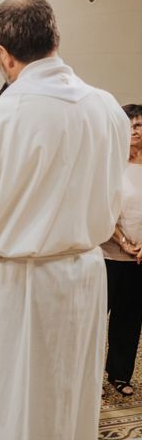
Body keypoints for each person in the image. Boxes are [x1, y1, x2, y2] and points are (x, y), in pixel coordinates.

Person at [0, 0, 130, 440]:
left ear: (3, 54)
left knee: (4, 406)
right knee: (64, 398)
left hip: (11, 284)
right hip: (82, 276)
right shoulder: (109, 110)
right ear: (55, 39)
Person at [100, 103, 142, 397]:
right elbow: (100, 207)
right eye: (130, 125)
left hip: (139, 260)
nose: (135, 131)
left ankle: (119, 373)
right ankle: (87, 377)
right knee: (94, 317)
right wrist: (124, 242)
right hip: (107, 254)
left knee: (130, 318)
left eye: (139, 125)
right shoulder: (109, 163)